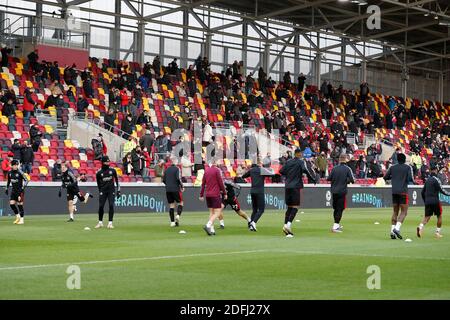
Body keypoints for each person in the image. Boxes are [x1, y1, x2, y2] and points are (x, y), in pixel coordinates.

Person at [279, 148, 317, 236]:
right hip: (296, 186)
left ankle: (285, 225)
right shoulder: (301, 162)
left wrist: (289, 175)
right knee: (295, 207)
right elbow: (306, 170)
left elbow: (281, 171)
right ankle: (288, 225)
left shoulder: (288, 162)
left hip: (287, 186)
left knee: (289, 207)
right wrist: (313, 179)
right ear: (299, 154)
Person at [383, 153, 415, 240]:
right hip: (403, 192)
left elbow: (385, 177)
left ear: (397, 159)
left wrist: (393, 178)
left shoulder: (392, 167)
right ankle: (397, 228)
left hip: (394, 192)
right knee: (404, 212)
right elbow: (411, 179)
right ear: (405, 160)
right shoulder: (408, 167)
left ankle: (392, 232)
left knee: (395, 212)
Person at [417, 164, 450, 239]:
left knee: (427, 217)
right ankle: (437, 233)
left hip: (428, 201)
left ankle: (420, 227)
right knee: (439, 216)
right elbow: (441, 190)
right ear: (435, 170)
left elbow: (422, 192)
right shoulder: (436, 179)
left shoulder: (427, 180)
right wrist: (449, 194)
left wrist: (425, 201)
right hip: (435, 201)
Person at [327, 154, 355, 233]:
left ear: (339, 160)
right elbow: (352, 180)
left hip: (334, 191)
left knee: (336, 208)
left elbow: (328, 178)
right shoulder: (347, 169)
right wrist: (346, 181)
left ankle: (336, 224)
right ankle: (335, 226)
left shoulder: (334, 168)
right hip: (342, 191)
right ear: (345, 159)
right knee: (340, 208)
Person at [241, 161, 273, 232]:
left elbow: (243, 176)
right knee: (261, 209)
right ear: (259, 164)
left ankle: (251, 226)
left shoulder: (251, 170)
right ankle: (253, 222)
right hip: (259, 191)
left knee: (255, 209)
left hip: (252, 191)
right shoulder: (262, 170)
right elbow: (272, 174)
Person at [199, 161, 227, 236]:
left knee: (211, 212)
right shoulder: (217, 170)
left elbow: (203, 184)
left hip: (208, 194)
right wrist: (224, 193)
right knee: (218, 212)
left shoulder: (206, 170)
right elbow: (221, 182)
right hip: (215, 194)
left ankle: (212, 229)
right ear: (214, 162)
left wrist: (201, 194)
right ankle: (208, 225)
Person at [95, 156, 120, 229]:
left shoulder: (113, 171)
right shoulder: (99, 173)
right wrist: (100, 191)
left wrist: (118, 191)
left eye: (108, 162)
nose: (108, 163)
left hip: (111, 191)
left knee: (111, 205)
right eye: (106, 162)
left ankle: (110, 223)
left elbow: (117, 181)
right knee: (101, 206)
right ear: (102, 163)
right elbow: (98, 184)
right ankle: (100, 222)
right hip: (103, 191)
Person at [5, 160, 29, 225]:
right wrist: (6, 188)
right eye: (14, 165)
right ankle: (17, 216)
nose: (15, 166)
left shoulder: (20, 172)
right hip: (13, 191)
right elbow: (8, 181)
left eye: (16, 165)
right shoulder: (9, 173)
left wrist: (22, 188)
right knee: (11, 204)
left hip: (20, 191)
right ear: (12, 165)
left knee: (19, 205)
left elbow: (27, 180)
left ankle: (22, 220)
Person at [163, 158, 184, 227]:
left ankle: (172, 222)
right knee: (180, 202)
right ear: (176, 162)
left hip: (168, 189)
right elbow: (178, 178)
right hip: (175, 189)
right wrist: (182, 186)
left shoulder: (166, 170)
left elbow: (164, 180)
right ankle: (177, 215)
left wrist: (168, 185)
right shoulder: (177, 169)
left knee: (171, 205)